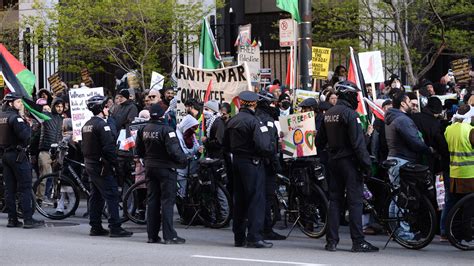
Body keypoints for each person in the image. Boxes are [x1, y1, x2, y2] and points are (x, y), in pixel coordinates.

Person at [316, 81, 378, 252]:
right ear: (348, 95)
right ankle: (358, 241)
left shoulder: (329, 113)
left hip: (333, 162)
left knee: (334, 201)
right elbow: (358, 144)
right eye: (355, 95)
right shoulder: (351, 115)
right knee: (355, 202)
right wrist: (367, 165)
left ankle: (331, 241)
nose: (357, 99)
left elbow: (319, 141)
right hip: (350, 162)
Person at [224, 91, 273, 248]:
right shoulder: (255, 122)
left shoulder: (232, 121)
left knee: (240, 200)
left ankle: (239, 237)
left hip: (236, 162)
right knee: (255, 200)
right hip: (253, 163)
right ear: (254, 104)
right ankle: (254, 237)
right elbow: (264, 146)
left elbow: (224, 144)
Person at [384, 92, 433, 241]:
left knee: (397, 195)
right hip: (402, 159)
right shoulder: (402, 120)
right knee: (403, 197)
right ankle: (402, 232)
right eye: (408, 101)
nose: (412, 104)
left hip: (396, 158)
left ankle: (396, 230)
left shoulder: (393, 118)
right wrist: (427, 149)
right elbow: (414, 140)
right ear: (403, 104)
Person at [81, 95, 133, 237]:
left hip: (90, 164)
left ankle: (95, 226)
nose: (108, 109)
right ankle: (115, 227)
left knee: (96, 196)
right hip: (102, 165)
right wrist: (115, 164)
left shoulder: (86, 125)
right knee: (112, 195)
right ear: (100, 108)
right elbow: (109, 148)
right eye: (105, 107)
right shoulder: (102, 125)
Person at [135, 103, 187, 244]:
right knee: (167, 202)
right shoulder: (167, 130)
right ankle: (169, 236)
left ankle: (152, 235)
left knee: (152, 201)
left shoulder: (143, 129)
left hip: (150, 168)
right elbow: (174, 152)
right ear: (163, 115)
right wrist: (185, 160)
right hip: (166, 169)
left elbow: (138, 151)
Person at [1, 92, 44, 228]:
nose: (21, 104)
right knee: (25, 187)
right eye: (18, 102)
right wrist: (29, 125)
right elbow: (26, 136)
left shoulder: (2, 117)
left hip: (5, 155)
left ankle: (12, 219)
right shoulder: (16, 118)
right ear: (10, 103)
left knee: (10, 189)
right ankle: (28, 219)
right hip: (17, 155)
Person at [255, 90, 286, 241]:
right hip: (266, 164)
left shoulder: (254, 117)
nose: (274, 105)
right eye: (272, 103)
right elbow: (269, 146)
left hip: (254, 164)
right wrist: (275, 164)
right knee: (267, 197)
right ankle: (266, 229)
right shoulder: (266, 120)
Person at [443, 105, 474, 247]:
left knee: (456, 206)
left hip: (454, 174)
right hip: (469, 175)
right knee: (469, 208)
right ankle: (467, 237)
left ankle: (454, 235)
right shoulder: (470, 131)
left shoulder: (449, 130)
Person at [37, 98, 64, 209]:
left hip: (57, 151)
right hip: (45, 150)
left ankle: (56, 199)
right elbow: (36, 111)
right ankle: (39, 199)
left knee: (57, 178)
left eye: (61, 106)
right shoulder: (46, 115)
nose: (59, 108)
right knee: (45, 176)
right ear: (53, 106)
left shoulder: (61, 119)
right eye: (57, 106)